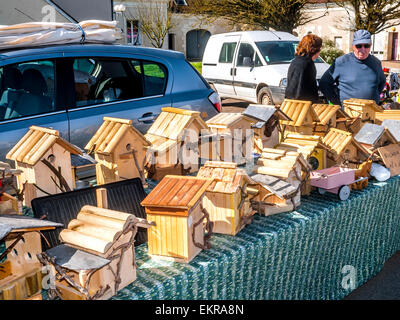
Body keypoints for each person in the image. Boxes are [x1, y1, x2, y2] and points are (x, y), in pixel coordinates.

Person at [319, 29, 386, 106]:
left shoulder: (376, 63)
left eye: (366, 46)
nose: (363, 49)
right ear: (353, 46)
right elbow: (324, 83)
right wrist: (335, 101)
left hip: (370, 112)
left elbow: (381, 83)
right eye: (359, 46)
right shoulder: (341, 62)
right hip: (348, 113)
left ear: (370, 45)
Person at [285, 34, 322, 103]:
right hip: (301, 106)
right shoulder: (307, 63)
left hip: (291, 102)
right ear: (314, 49)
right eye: (320, 48)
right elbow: (300, 90)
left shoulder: (296, 61)